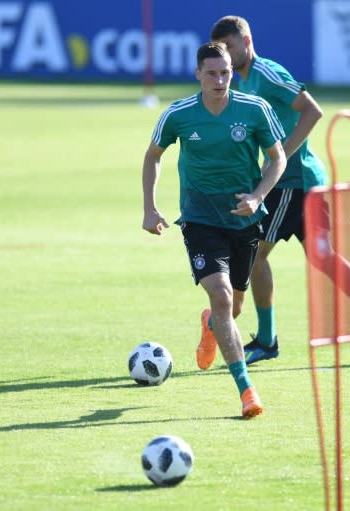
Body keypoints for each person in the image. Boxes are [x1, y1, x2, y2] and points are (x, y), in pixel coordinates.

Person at [210, 15, 350, 365]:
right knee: (321, 257)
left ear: (248, 41)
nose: (227, 53)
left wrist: (279, 157)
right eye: (222, 49)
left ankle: (267, 341)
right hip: (294, 182)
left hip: (292, 183)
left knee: (254, 254)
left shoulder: (265, 75)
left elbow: (312, 111)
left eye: (231, 46)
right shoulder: (243, 84)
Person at [142, 41, 287, 418]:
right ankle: (246, 391)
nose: (220, 80)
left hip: (243, 219)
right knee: (222, 297)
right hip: (200, 218)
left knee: (232, 307)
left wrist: (257, 197)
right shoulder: (179, 114)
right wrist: (150, 207)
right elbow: (154, 155)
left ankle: (211, 325)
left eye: (225, 72)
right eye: (212, 73)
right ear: (197, 75)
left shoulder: (255, 110)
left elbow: (277, 158)